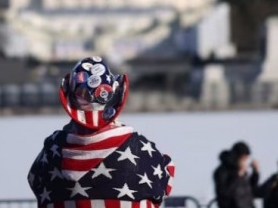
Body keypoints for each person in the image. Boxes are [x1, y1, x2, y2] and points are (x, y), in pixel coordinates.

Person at [27, 56, 174, 207]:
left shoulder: (51, 152)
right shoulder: (142, 151)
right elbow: (165, 180)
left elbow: (35, 181)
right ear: (115, 94)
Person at [213, 141, 260, 208]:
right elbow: (224, 193)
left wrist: (255, 172)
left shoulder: (240, 171)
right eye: (244, 158)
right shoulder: (222, 171)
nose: (245, 161)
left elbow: (250, 190)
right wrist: (238, 175)